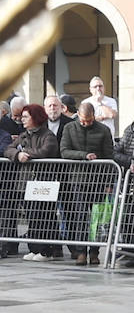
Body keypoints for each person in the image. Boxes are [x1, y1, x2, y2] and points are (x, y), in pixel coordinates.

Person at [60, 99, 115, 265]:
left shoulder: (103, 130)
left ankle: (94, 252)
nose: (86, 123)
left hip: (98, 180)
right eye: (83, 120)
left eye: (89, 120)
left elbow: (109, 155)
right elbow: (64, 151)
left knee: (97, 219)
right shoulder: (69, 128)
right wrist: (83, 155)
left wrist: (108, 183)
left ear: (94, 117)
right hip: (78, 180)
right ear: (78, 116)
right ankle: (81, 251)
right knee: (81, 217)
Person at [5, 104, 61, 260]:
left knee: (43, 216)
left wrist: (25, 153)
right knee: (31, 215)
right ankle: (35, 248)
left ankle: (46, 250)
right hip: (25, 182)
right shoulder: (24, 135)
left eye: (25, 117)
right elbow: (8, 149)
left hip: (43, 181)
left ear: (35, 118)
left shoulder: (47, 135)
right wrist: (17, 155)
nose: (22, 120)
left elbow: (45, 151)